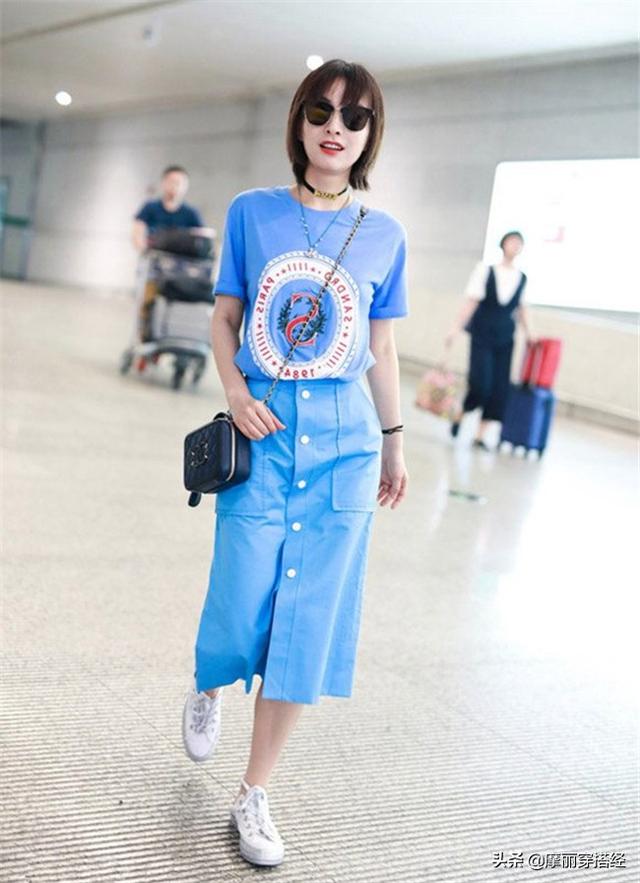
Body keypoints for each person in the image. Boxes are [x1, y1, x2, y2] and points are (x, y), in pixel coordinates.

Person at [181, 59, 409, 868]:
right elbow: (225, 318)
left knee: (305, 624)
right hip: (266, 436)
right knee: (241, 596)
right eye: (321, 111)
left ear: (370, 135)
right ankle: (210, 680)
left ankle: (254, 791)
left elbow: (381, 345)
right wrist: (235, 390)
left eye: (354, 117)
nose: (335, 127)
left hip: (345, 446)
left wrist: (394, 438)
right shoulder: (253, 212)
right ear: (300, 121)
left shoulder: (385, 234)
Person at [444, 231, 533, 450]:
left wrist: (530, 333)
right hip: (482, 333)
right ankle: (461, 414)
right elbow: (471, 302)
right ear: (503, 244)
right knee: (480, 383)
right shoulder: (485, 270)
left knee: (499, 387)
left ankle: (480, 435)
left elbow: (522, 308)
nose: (515, 246)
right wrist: (455, 328)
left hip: (506, 337)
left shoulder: (522, 277)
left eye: (519, 244)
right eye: (512, 242)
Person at [131, 165, 205, 340]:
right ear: (164, 183)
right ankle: (145, 338)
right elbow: (137, 231)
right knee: (148, 304)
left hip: (181, 274)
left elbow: (201, 239)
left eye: (180, 183)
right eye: (172, 181)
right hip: (154, 269)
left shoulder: (191, 214)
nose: (175, 186)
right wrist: (143, 248)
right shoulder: (150, 208)